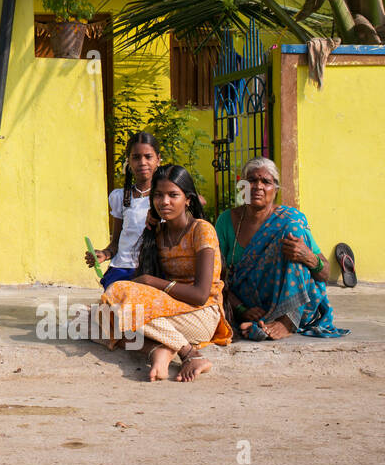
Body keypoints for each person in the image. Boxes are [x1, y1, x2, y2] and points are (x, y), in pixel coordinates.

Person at [96, 164, 232, 381]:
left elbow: (200, 295)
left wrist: (151, 281)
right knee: (94, 317)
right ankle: (160, 349)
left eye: (173, 195)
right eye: (158, 195)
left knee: (120, 301)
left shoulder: (202, 230)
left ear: (188, 199)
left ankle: (190, 354)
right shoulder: (157, 233)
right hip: (169, 311)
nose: (164, 201)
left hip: (201, 314)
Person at [215, 157, 347, 341]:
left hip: (286, 301)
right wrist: (241, 309)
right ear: (242, 186)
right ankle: (257, 322)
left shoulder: (289, 220)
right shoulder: (226, 221)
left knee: (293, 235)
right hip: (245, 303)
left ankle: (287, 321)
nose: (258, 186)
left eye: (266, 181)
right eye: (252, 180)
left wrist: (308, 257)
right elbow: (216, 274)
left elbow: (324, 274)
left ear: (275, 189)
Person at [86, 132, 161, 288]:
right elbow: (116, 243)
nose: (142, 162)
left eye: (148, 157)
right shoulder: (121, 197)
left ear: (158, 160)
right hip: (123, 268)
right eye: (136, 157)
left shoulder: (165, 198)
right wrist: (104, 254)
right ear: (129, 161)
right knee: (116, 305)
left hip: (154, 268)